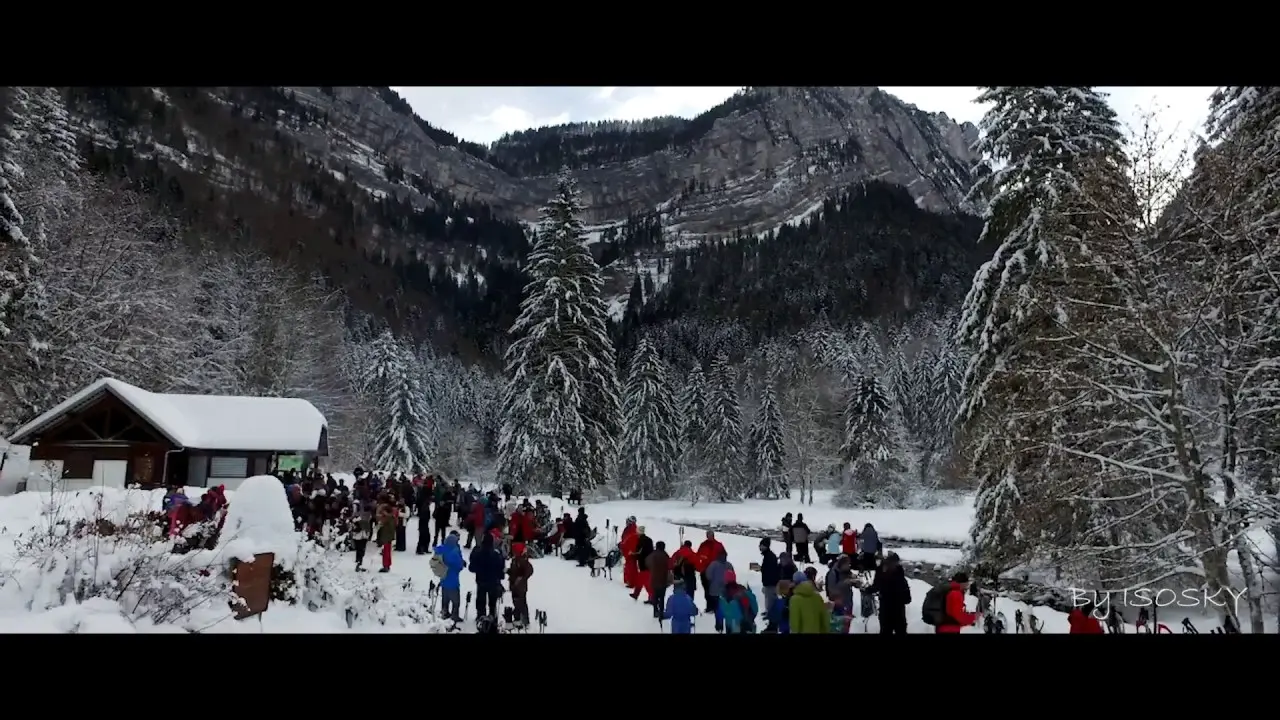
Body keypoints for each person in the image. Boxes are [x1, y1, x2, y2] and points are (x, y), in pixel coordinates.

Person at [868, 551, 911, 634]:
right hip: (887, 610)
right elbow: (876, 586)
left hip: (896, 610)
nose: (895, 565)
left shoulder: (899, 574)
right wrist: (868, 590)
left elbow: (907, 597)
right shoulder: (881, 572)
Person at [469, 531, 506, 620]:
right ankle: (492, 616)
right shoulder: (496, 554)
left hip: (481, 580)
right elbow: (500, 567)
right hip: (493, 581)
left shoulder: (477, 553)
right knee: (492, 601)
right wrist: (500, 576)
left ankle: (480, 615)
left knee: (481, 599)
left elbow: (471, 568)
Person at [433, 531, 466, 621]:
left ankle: (445, 613)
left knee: (445, 599)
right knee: (456, 601)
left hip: (443, 579)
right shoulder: (454, 552)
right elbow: (459, 566)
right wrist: (462, 563)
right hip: (453, 581)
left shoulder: (442, 550)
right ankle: (454, 616)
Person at [507, 542, 535, 627]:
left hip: (520, 587)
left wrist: (521, 578)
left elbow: (529, 571)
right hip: (515, 586)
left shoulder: (522, 560)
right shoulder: (515, 560)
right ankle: (518, 618)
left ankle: (524, 620)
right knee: (517, 603)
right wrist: (508, 571)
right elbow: (514, 572)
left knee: (521, 603)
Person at [705, 549, 733, 631]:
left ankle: (719, 625)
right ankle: (728, 626)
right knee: (727, 609)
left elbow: (708, 576)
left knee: (718, 609)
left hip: (715, 591)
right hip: (726, 591)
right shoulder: (729, 565)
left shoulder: (713, 564)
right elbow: (732, 577)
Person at [646, 540, 672, 618]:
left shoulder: (652, 555)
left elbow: (647, 563)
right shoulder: (665, 555)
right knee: (662, 597)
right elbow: (670, 565)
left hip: (653, 579)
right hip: (663, 579)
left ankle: (655, 611)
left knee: (655, 596)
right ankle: (661, 613)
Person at [630, 527, 655, 601]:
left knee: (645, 581)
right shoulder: (649, 540)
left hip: (643, 563)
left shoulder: (641, 540)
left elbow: (639, 552)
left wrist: (632, 554)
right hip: (649, 562)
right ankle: (636, 594)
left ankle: (651, 597)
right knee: (640, 580)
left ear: (639, 532)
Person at [758, 537, 780, 618]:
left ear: (766, 546)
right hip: (769, 582)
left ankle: (771, 614)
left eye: (761, 545)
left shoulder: (769, 556)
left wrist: (762, 569)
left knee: (771, 599)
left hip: (770, 582)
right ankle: (769, 612)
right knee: (768, 598)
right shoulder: (768, 555)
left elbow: (770, 570)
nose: (760, 547)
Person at [375, 496, 397, 572]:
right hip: (389, 535)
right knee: (387, 550)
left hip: (386, 535)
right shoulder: (392, 515)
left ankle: (386, 565)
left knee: (386, 551)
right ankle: (387, 565)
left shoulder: (387, 518)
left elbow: (381, 521)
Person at [619, 517, 639, 589]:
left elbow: (628, 541)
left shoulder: (632, 530)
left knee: (631, 567)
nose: (626, 522)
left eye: (628, 521)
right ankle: (630, 581)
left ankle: (632, 582)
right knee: (630, 566)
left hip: (630, 551)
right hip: (630, 551)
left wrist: (622, 545)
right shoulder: (631, 529)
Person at [350, 507, 372, 572]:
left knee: (359, 551)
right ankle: (359, 565)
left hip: (357, 537)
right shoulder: (364, 520)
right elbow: (367, 529)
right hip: (362, 537)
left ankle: (358, 565)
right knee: (361, 551)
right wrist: (368, 536)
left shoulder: (355, 517)